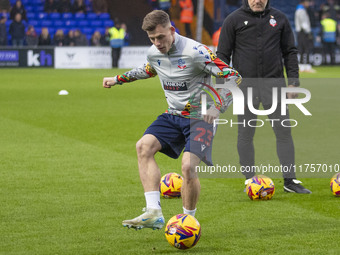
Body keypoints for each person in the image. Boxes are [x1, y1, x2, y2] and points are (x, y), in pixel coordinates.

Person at [102, 10, 242, 230]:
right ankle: (153, 212)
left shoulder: (197, 52)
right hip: (173, 115)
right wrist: (117, 79)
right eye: (152, 39)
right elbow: (148, 69)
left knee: (187, 167)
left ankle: (188, 221)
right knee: (143, 147)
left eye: (161, 37)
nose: (157, 43)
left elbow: (234, 76)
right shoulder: (153, 53)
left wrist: (218, 107)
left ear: (172, 30)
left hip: (200, 117)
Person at [217, 0, 312, 194]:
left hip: (274, 85)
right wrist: (223, 87)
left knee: (283, 132)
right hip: (244, 87)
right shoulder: (233, 20)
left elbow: (290, 52)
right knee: (246, 134)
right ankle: (249, 180)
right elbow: (222, 56)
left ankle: (290, 180)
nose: (257, 0)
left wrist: (293, 81)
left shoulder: (280, 18)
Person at [295, 0, 315, 72]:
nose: (308, 4)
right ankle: (306, 66)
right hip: (303, 32)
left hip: (300, 32)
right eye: (307, 2)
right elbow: (304, 23)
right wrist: (308, 32)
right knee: (306, 49)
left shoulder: (299, 9)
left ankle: (302, 66)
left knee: (302, 49)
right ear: (304, 2)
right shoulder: (301, 10)